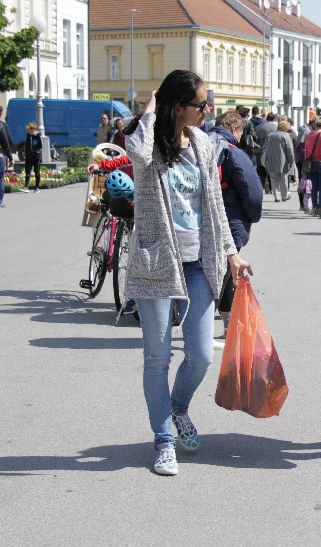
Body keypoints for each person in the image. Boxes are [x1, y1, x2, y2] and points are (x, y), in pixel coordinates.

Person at [125, 70, 252, 476]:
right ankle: (164, 441)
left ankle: (178, 407)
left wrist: (231, 252)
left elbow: (214, 205)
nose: (208, 110)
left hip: (199, 262)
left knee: (199, 354)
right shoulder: (149, 145)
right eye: (201, 104)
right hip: (156, 260)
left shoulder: (202, 143)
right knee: (158, 357)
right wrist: (150, 109)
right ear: (176, 107)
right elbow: (139, 152)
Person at [207, 111, 263, 347]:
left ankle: (222, 325)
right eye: (240, 132)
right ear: (235, 129)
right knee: (224, 274)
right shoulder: (232, 152)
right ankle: (215, 329)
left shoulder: (203, 144)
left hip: (202, 220)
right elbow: (253, 192)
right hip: (230, 220)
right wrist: (251, 217)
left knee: (215, 273)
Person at [261, 120, 294, 203]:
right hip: (283, 162)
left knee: (274, 179)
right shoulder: (286, 136)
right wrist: (291, 161)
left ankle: (277, 197)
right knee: (284, 178)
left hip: (271, 160)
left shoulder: (270, 135)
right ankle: (284, 196)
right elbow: (289, 150)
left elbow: (264, 147)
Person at [303, 116, 321, 216]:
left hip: (312, 163)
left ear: (316, 124)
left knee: (314, 187)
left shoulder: (310, 135)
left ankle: (315, 207)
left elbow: (307, 150)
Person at [0, 104, 13, 209]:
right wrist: (10, 156)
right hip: (0, 154)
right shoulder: (2, 125)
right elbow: (9, 141)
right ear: (0, 113)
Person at [20, 122, 43, 193]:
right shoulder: (28, 135)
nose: (28, 132)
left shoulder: (38, 135)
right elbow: (26, 144)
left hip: (36, 157)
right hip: (29, 156)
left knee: (37, 171)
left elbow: (41, 146)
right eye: (28, 130)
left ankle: (37, 187)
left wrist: (36, 151)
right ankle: (26, 186)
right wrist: (25, 152)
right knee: (27, 171)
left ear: (33, 129)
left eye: (30, 130)